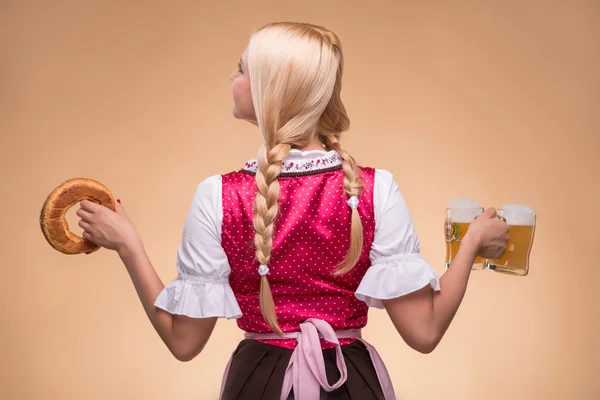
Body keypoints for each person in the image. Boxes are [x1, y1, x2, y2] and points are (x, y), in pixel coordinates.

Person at [76, 21, 509, 400]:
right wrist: (469, 244)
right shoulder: (377, 189)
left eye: (243, 69)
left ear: (271, 88)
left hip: (257, 381)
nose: (232, 75)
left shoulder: (217, 195)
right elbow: (424, 332)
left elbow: (183, 342)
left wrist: (129, 246)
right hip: (350, 383)